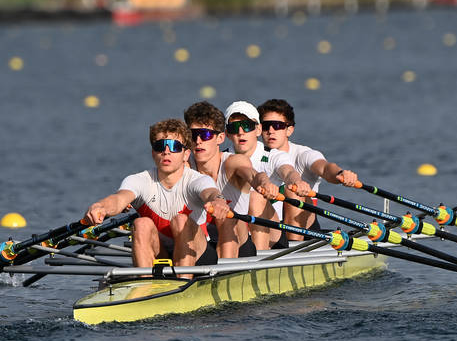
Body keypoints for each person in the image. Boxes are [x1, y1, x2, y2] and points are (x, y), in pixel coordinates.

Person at [83, 119, 230, 271]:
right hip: (161, 254)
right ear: (153, 153)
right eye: (160, 146)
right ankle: (145, 280)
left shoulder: (197, 180)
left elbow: (211, 193)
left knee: (180, 220)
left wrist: (218, 201)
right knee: (141, 224)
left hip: (198, 256)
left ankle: (182, 278)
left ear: (186, 154)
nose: (166, 151)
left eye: (174, 146)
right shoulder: (139, 180)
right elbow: (119, 199)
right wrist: (100, 206)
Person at [183, 101, 277, 258]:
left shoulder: (233, 162)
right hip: (203, 243)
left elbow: (253, 175)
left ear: (220, 138)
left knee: (227, 216)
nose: (198, 141)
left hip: (239, 244)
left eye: (205, 135)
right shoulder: (184, 166)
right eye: (193, 135)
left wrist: (264, 183)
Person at [256, 98, 358, 239]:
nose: (271, 131)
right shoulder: (255, 155)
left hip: (305, 229)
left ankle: (294, 245)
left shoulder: (303, 154)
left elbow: (325, 169)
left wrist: (340, 174)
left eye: (277, 126)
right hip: (271, 226)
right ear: (259, 129)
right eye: (266, 126)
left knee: (293, 191)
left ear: (289, 130)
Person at [223, 100, 313, 249]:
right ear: (227, 134)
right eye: (234, 128)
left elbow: (288, 172)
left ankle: (284, 249)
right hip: (236, 229)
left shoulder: (273, 156)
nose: (241, 132)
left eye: (247, 126)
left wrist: (297, 182)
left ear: (258, 130)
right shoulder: (222, 158)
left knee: (256, 197)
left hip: (272, 233)